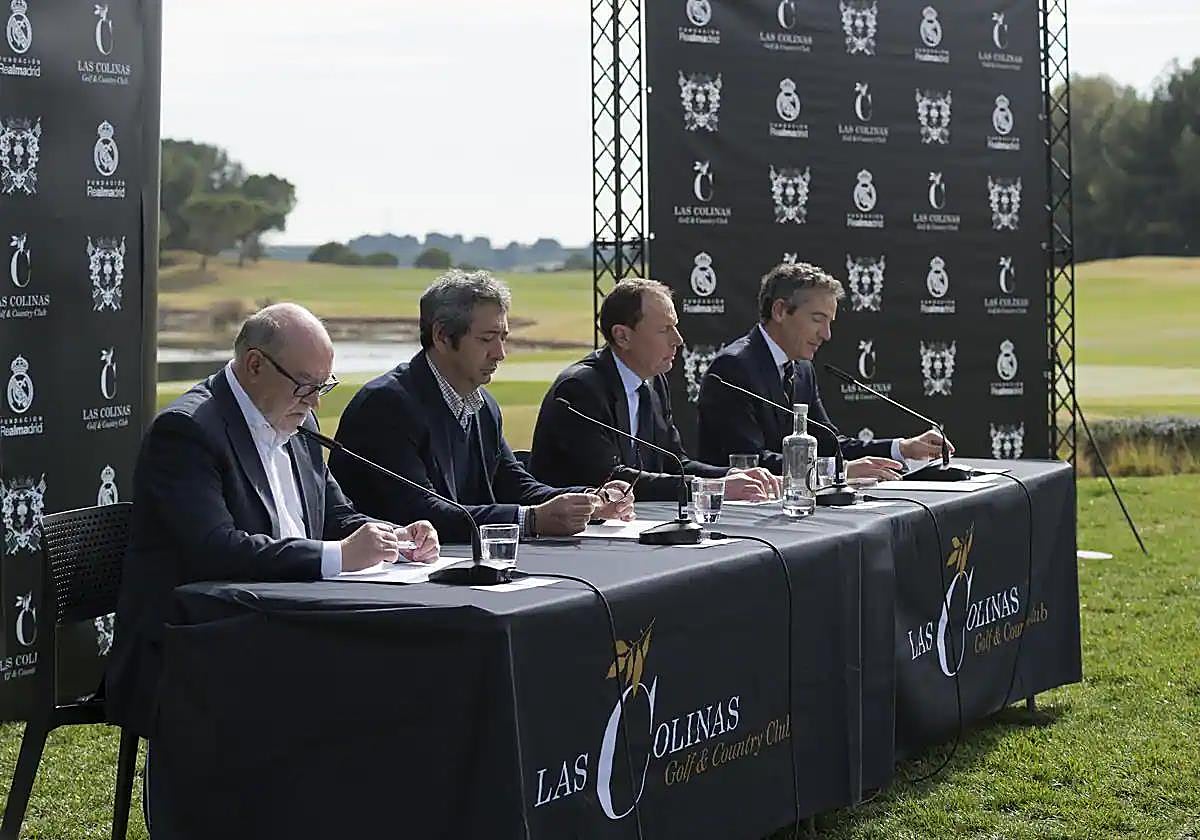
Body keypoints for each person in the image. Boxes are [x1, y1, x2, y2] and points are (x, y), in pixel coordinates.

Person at [107, 303, 439, 834]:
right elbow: (216, 550)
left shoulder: (294, 417)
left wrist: (393, 537)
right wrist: (337, 557)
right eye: (305, 386)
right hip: (195, 643)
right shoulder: (187, 431)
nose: (311, 403)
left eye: (322, 388)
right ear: (255, 365)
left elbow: (338, 517)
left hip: (284, 625)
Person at [331, 270, 634, 542]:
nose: (500, 353)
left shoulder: (483, 405)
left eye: (503, 337)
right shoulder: (386, 406)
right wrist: (530, 520)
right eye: (487, 339)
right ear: (442, 336)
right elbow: (421, 511)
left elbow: (513, 484)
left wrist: (588, 500)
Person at [529, 279, 780, 502]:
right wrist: (714, 487)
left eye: (675, 326)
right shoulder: (580, 389)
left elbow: (675, 464)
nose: (678, 340)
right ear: (623, 336)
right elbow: (610, 479)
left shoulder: (654, 380)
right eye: (664, 329)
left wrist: (732, 475)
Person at [696, 260, 952, 478]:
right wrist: (838, 471)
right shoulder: (733, 368)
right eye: (817, 319)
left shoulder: (802, 369)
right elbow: (750, 463)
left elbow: (829, 445)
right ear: (780, 311)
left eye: (830, 322)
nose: (826, 335)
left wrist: (902, 448)